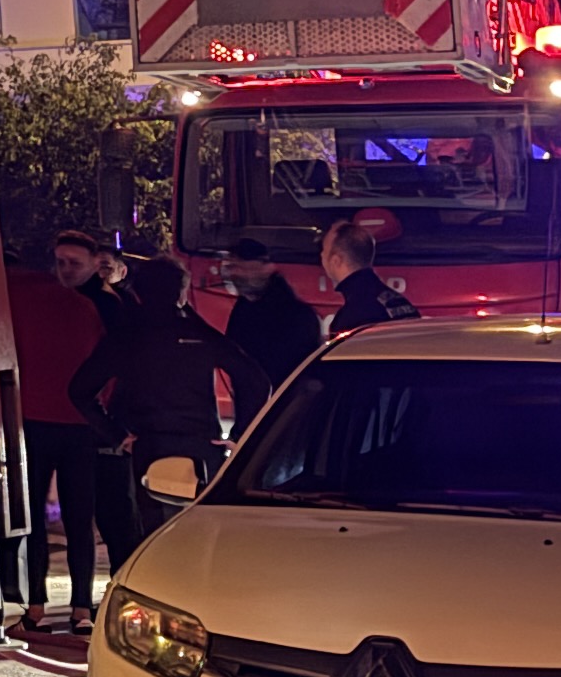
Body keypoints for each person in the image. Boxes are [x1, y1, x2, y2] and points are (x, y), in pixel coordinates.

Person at [74, 254, 264, 529]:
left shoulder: (126, 337)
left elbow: (79, 390)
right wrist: (239, 435)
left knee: (154, 532)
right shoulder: (200, 334)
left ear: (138, 294)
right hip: (202, 445)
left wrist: (117, 435)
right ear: (182, 293)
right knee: (201, 530)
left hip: (148, 444)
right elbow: (256, 381)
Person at [11, 232, 119, 632]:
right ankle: (55, 606)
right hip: (54, 422)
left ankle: (71, 606)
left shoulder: (94, 306)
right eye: (61, 262)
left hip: (64, 423)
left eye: (74, 263)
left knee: (70, 518)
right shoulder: (88, 306)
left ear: (94, 263)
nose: (66, 270)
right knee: (57, 519)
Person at [213, 240, 324, 401]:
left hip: (283, 407)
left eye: (241, 267)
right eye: (231, 267)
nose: (235, 274)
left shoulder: (296, 314)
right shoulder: (243, 308)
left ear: (266, 267)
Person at [319, 215, 421, 337]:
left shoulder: (352, 318)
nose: (321, 255)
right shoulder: (398, 302)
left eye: (324, 250)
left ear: (336, 261)